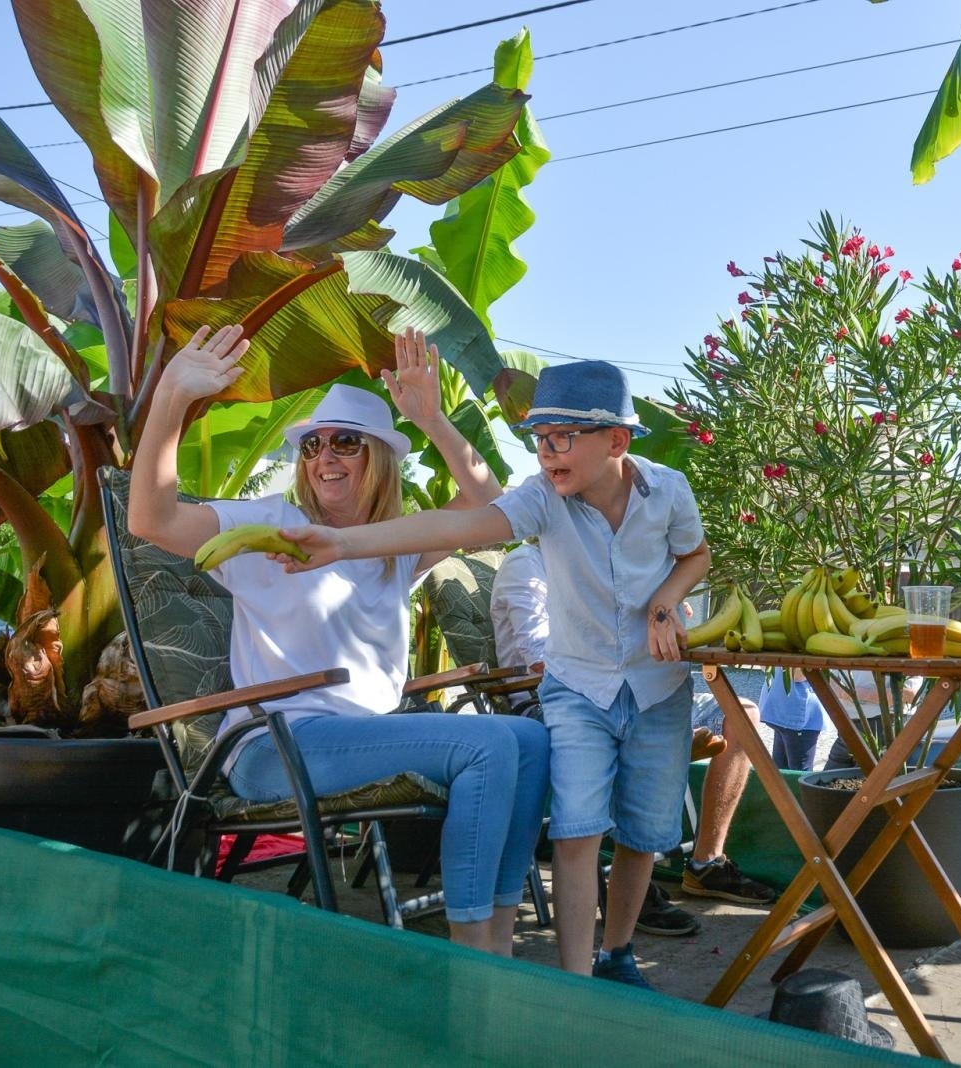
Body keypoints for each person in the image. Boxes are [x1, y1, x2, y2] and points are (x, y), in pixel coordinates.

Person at [276, 360, 712, 992]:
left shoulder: (669, 491)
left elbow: (695, 555)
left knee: (643, 833)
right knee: (577, 829)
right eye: (539, 438)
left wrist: (665, 604)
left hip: (660, 685)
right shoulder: (541, 498)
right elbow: (458, 522)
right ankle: (574, 982)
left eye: (562, 436)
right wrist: (345, 543)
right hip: (577, 688)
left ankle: (616, 954)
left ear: (615, 442)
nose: (547, 451)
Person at [129, 325, 551, 958]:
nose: (324, 456)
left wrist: (432, 417)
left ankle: (496, 937)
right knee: (490, 742)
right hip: (279, 746)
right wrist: (170, 401)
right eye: (313, 445)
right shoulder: (269, 526)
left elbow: (492, 509)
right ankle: (476, 956)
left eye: (345, 443)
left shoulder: (391, 544)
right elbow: (151, 521)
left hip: (363, 736)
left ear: (378, 457)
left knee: (532, 737)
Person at [488, 542, 774, 938]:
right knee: (626, 729)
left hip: (622, 691)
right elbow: (540, 657)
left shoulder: (594, 561)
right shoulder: (528, 565)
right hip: (547, 703)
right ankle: (625, 888)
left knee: (742, 715)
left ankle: (706, 863)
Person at [758, 668, 823, 771]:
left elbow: (796, 675)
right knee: (792, 773)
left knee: (788, 772)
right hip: (792, 712)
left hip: (788, 711)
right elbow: (796, 675)